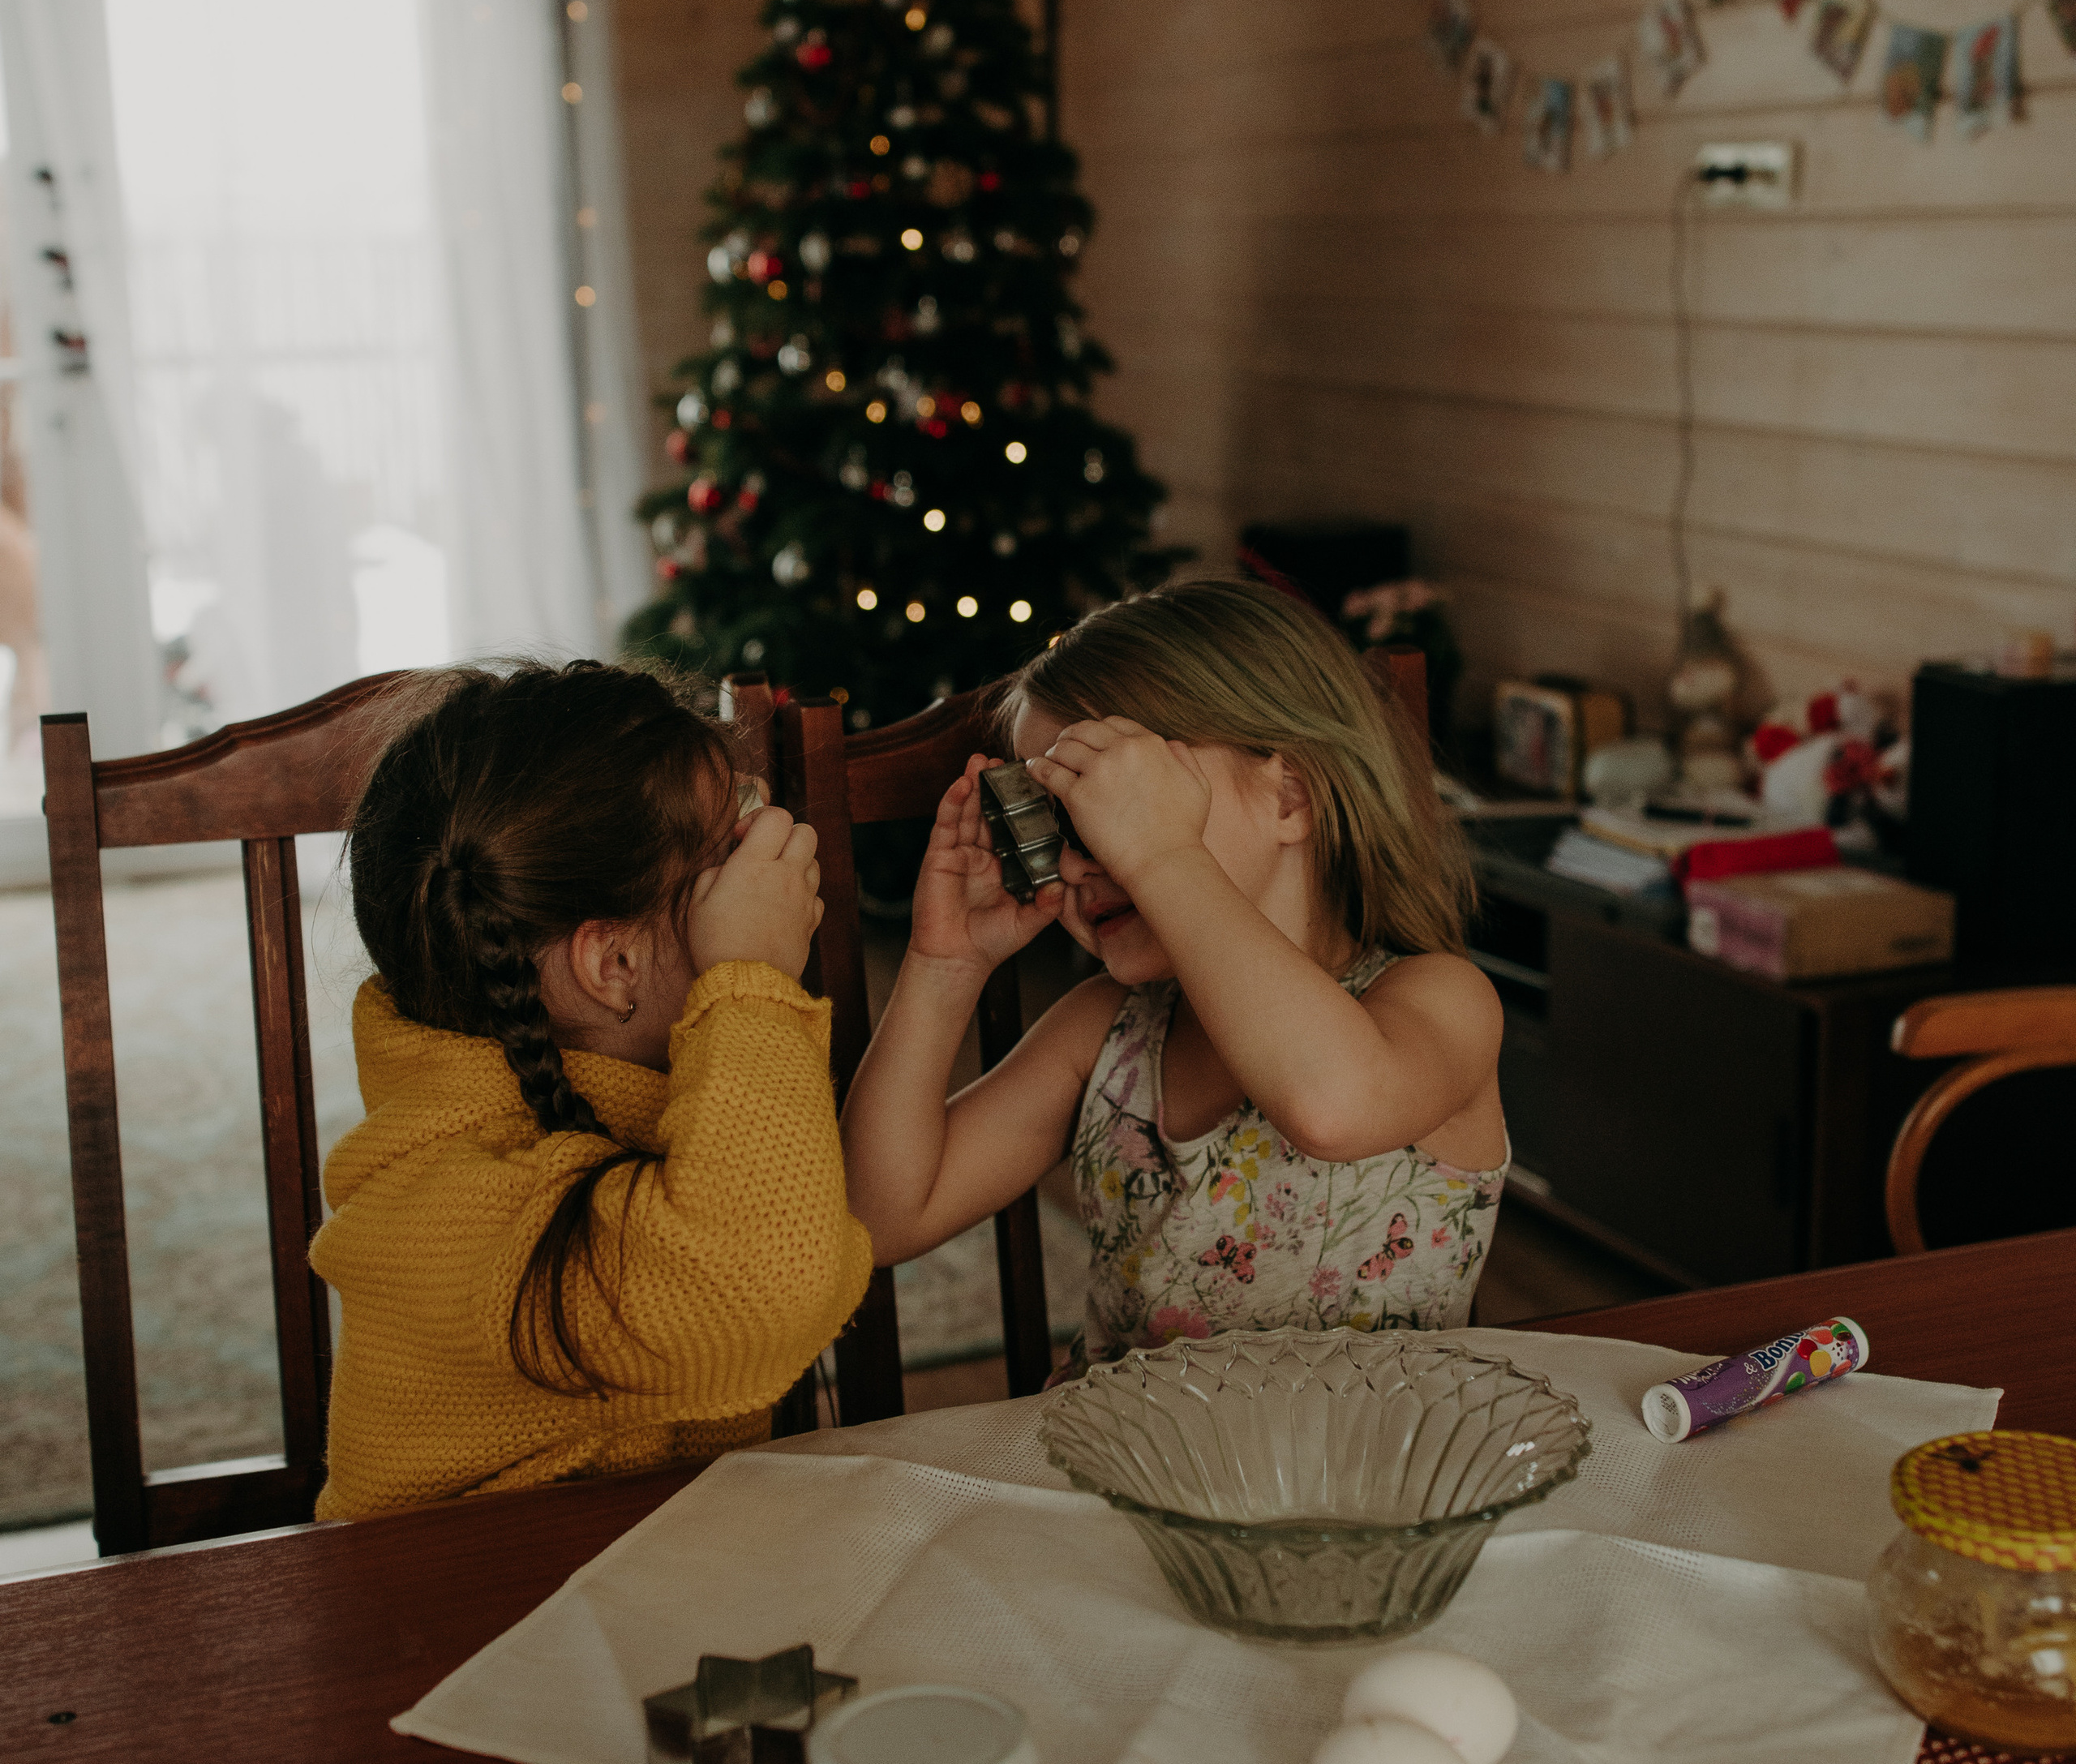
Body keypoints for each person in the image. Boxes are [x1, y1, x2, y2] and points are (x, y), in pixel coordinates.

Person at [842, 577, 1508, 1366]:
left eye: (1118, 803)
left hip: (1368, 1446)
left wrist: (1161, 854)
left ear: (1290, 796)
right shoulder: (1106, 1033)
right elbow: (880, 1219)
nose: (1076, 859)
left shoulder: (1440, 1000)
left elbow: (1331, 1107)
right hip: (1125, 1444)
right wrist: (944, 964)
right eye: (1048, 822)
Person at [313, 659, 872, 1518]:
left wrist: (945, 963)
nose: (771, 841)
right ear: (614, 963)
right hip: (467, 1595)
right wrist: (755, 978)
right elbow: (774, 1282)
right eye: (732, 844)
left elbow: (845, 1213)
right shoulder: (454, 1215)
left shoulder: (619, 1088)